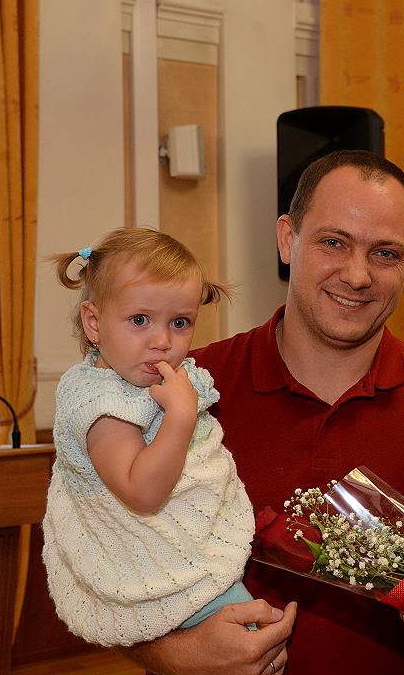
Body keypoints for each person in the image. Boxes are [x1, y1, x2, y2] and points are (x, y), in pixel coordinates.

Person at [126, 150, 404, 675]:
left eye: (385, 253)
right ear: (288, 239)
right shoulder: (186, 389)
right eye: (334, 243)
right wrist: (183, 655)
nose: (358, 275)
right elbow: (102, 574)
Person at [42, 228, 257, 648]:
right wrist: (180, 415)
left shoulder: (150, 377)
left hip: (195, 541)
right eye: (139, 320)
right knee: (249, 642)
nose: (162, 341)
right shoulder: (103, 405)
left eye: (180, 323)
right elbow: (142, 492)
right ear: (94, 322)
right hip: (158, 561)